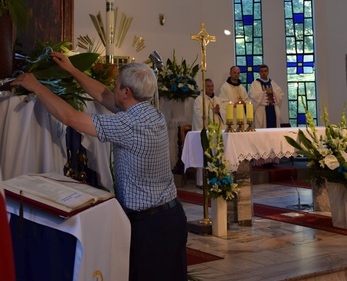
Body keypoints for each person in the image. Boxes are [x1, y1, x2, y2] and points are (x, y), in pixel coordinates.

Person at [12, 57, 188, 281]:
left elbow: (70, 117)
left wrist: (36, 86)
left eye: (116, 85)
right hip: (168, 217)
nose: (112, 88)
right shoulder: (152, 113)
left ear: (126, 92)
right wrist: (72, 70)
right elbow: (104, 94)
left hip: (151, 227)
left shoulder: (129, 125)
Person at [192, 78, 225, 188]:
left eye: (212, 86)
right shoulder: (199, 100)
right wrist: (212, 112)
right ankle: (201, 182)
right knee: (204, 156)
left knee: (217, 155)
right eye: (208, 86)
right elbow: (198, 116)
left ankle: (217, 179)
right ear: (204, 87)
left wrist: (219, 112)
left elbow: (223, 113)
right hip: (205, 133)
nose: (211, 88)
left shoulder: (217, 99)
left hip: (217, 132)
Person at [249, 64, 284, 128]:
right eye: (261, 71)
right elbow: (253, 96)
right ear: (259, 72)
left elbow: (280, 94)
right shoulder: (255, 84)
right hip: (261, 110)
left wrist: (273, 92)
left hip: (273, 110)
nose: (263, 73)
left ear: (268, 72)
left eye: (265, 71)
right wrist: (264, 92)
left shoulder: (272, 83)